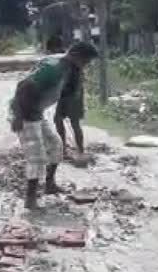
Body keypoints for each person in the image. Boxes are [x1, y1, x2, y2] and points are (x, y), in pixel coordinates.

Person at [9, 42, 99, 209]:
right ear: (76, 56)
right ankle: (30, 199)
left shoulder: (67, 67)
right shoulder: (54, 68)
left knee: (56, 145)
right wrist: (18, 116)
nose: (86, 66)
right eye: (86, 62)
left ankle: (50, 184)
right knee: (36, 157)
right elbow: (23, 86)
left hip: (37, 112)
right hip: (25, 114)